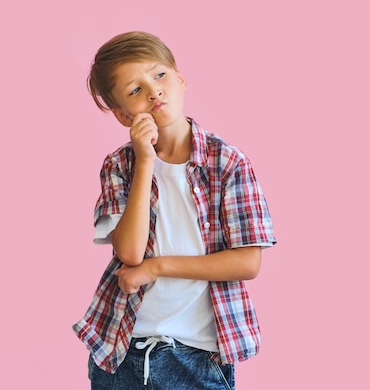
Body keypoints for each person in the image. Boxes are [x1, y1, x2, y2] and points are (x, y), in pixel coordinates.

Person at [72, 31, 276, 390]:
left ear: (180, 78)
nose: (153, 91)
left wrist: (157, 267)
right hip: (122, 352)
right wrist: (146, 161)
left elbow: (247, 262)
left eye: (159, 75)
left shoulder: (227, 163)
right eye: (135, 90)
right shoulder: (120, 165)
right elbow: (130, 252)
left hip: (196, 356)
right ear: (122, 115)